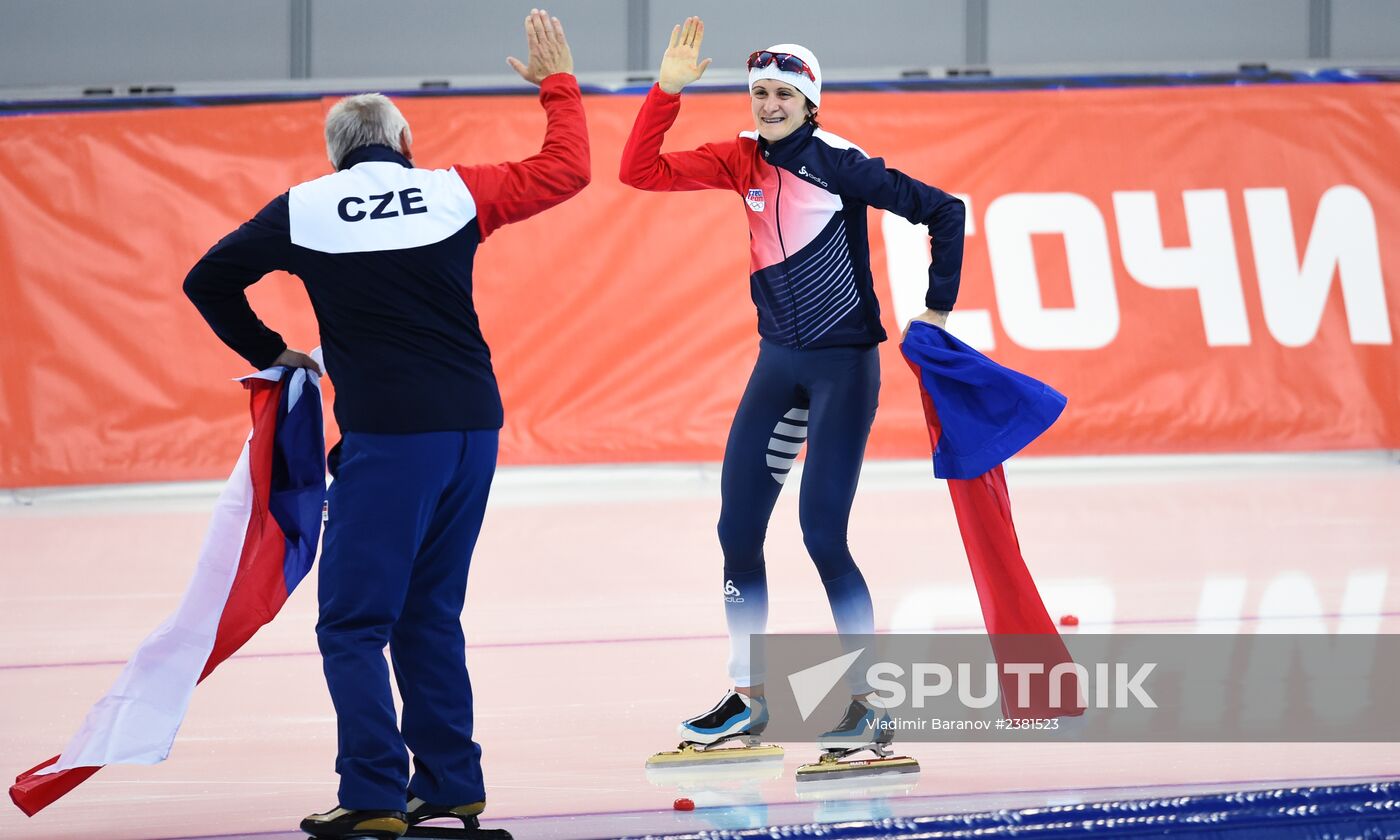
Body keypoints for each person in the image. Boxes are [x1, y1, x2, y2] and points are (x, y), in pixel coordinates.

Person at [183, 10, 589, 839]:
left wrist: (275, 352)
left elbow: (207, 281)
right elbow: (567, 170)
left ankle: (372, 795)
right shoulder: (451, 190)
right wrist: (558, 87)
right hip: (475, 428)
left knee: (354, 622)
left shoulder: (303, 208)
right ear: (403, 141)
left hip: (388, 440)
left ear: (335, 153)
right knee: (429, 612)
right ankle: (449, 783)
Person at [620, 18, 965, 758]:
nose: (770, 104)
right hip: (778, 364)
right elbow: (639, 171)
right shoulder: (738, 159)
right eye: (760, 93)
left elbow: (946, 210)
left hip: (843, 368)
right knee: (736, 532)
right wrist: (666, 92)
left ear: (811, 102)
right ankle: (750, 700)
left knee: (821, 535)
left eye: (784, 93)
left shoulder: (840, 163)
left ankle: (870, 708)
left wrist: (936, 309)